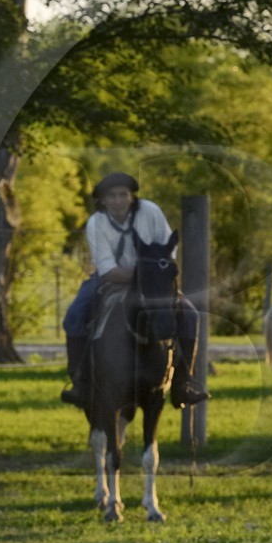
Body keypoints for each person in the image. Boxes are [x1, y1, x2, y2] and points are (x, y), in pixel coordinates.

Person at [59, 172, 209, 409]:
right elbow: (107, 269)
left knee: (189, 314)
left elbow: (168, 247)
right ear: (103, 201)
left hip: (154, 281)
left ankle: (184, 382)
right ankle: (81, 382)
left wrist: (156, 274)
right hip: (112, 279)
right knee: (75, 315)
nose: (118, 200)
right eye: (112, 196)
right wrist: (143, 274)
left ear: (132, 197)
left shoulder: (150, 212)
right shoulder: (96, 223)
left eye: (123, 195)